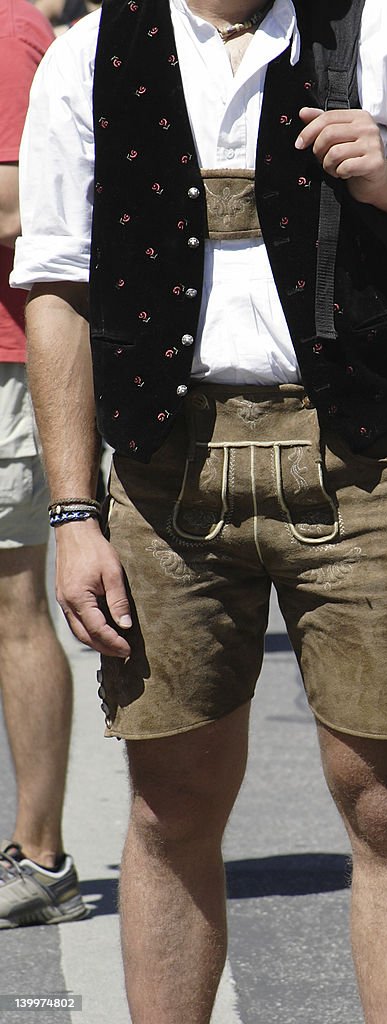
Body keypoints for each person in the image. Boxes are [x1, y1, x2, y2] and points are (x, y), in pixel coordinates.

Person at [13, 0, 387, 1019]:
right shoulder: (89, 56)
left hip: (363, 456)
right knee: (171, 803)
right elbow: (58, 284)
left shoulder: (380, 34)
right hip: (166, 469)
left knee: (386, 801)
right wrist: (74, 517)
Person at [0, 0, 89, 931]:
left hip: (9, 362)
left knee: (13, 612)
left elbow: (26, 197)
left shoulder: (8, 30)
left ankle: (42, 857)